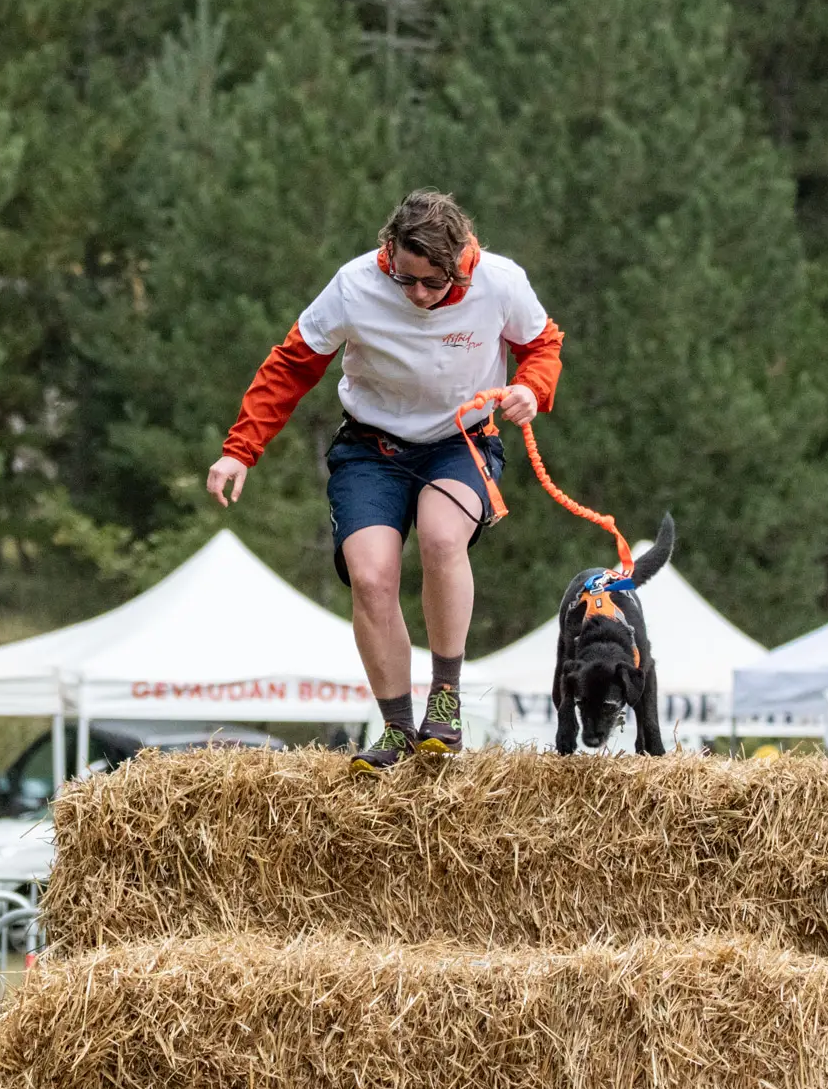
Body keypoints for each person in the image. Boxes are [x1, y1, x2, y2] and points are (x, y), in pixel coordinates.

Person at [207, 190, 564, 772]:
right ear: (387, 254)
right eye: (406, 280)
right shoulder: (354, 286)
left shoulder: (500, 282)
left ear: (460, 263)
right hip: (371, 448)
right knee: (372, 579)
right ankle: (397, 727)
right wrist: (240, 451)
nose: (419, 294)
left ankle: (444, 698)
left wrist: (531, 387)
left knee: (441, 537)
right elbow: (292, 365)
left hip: (461, 440)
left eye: (433, 283)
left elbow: (542, 344)